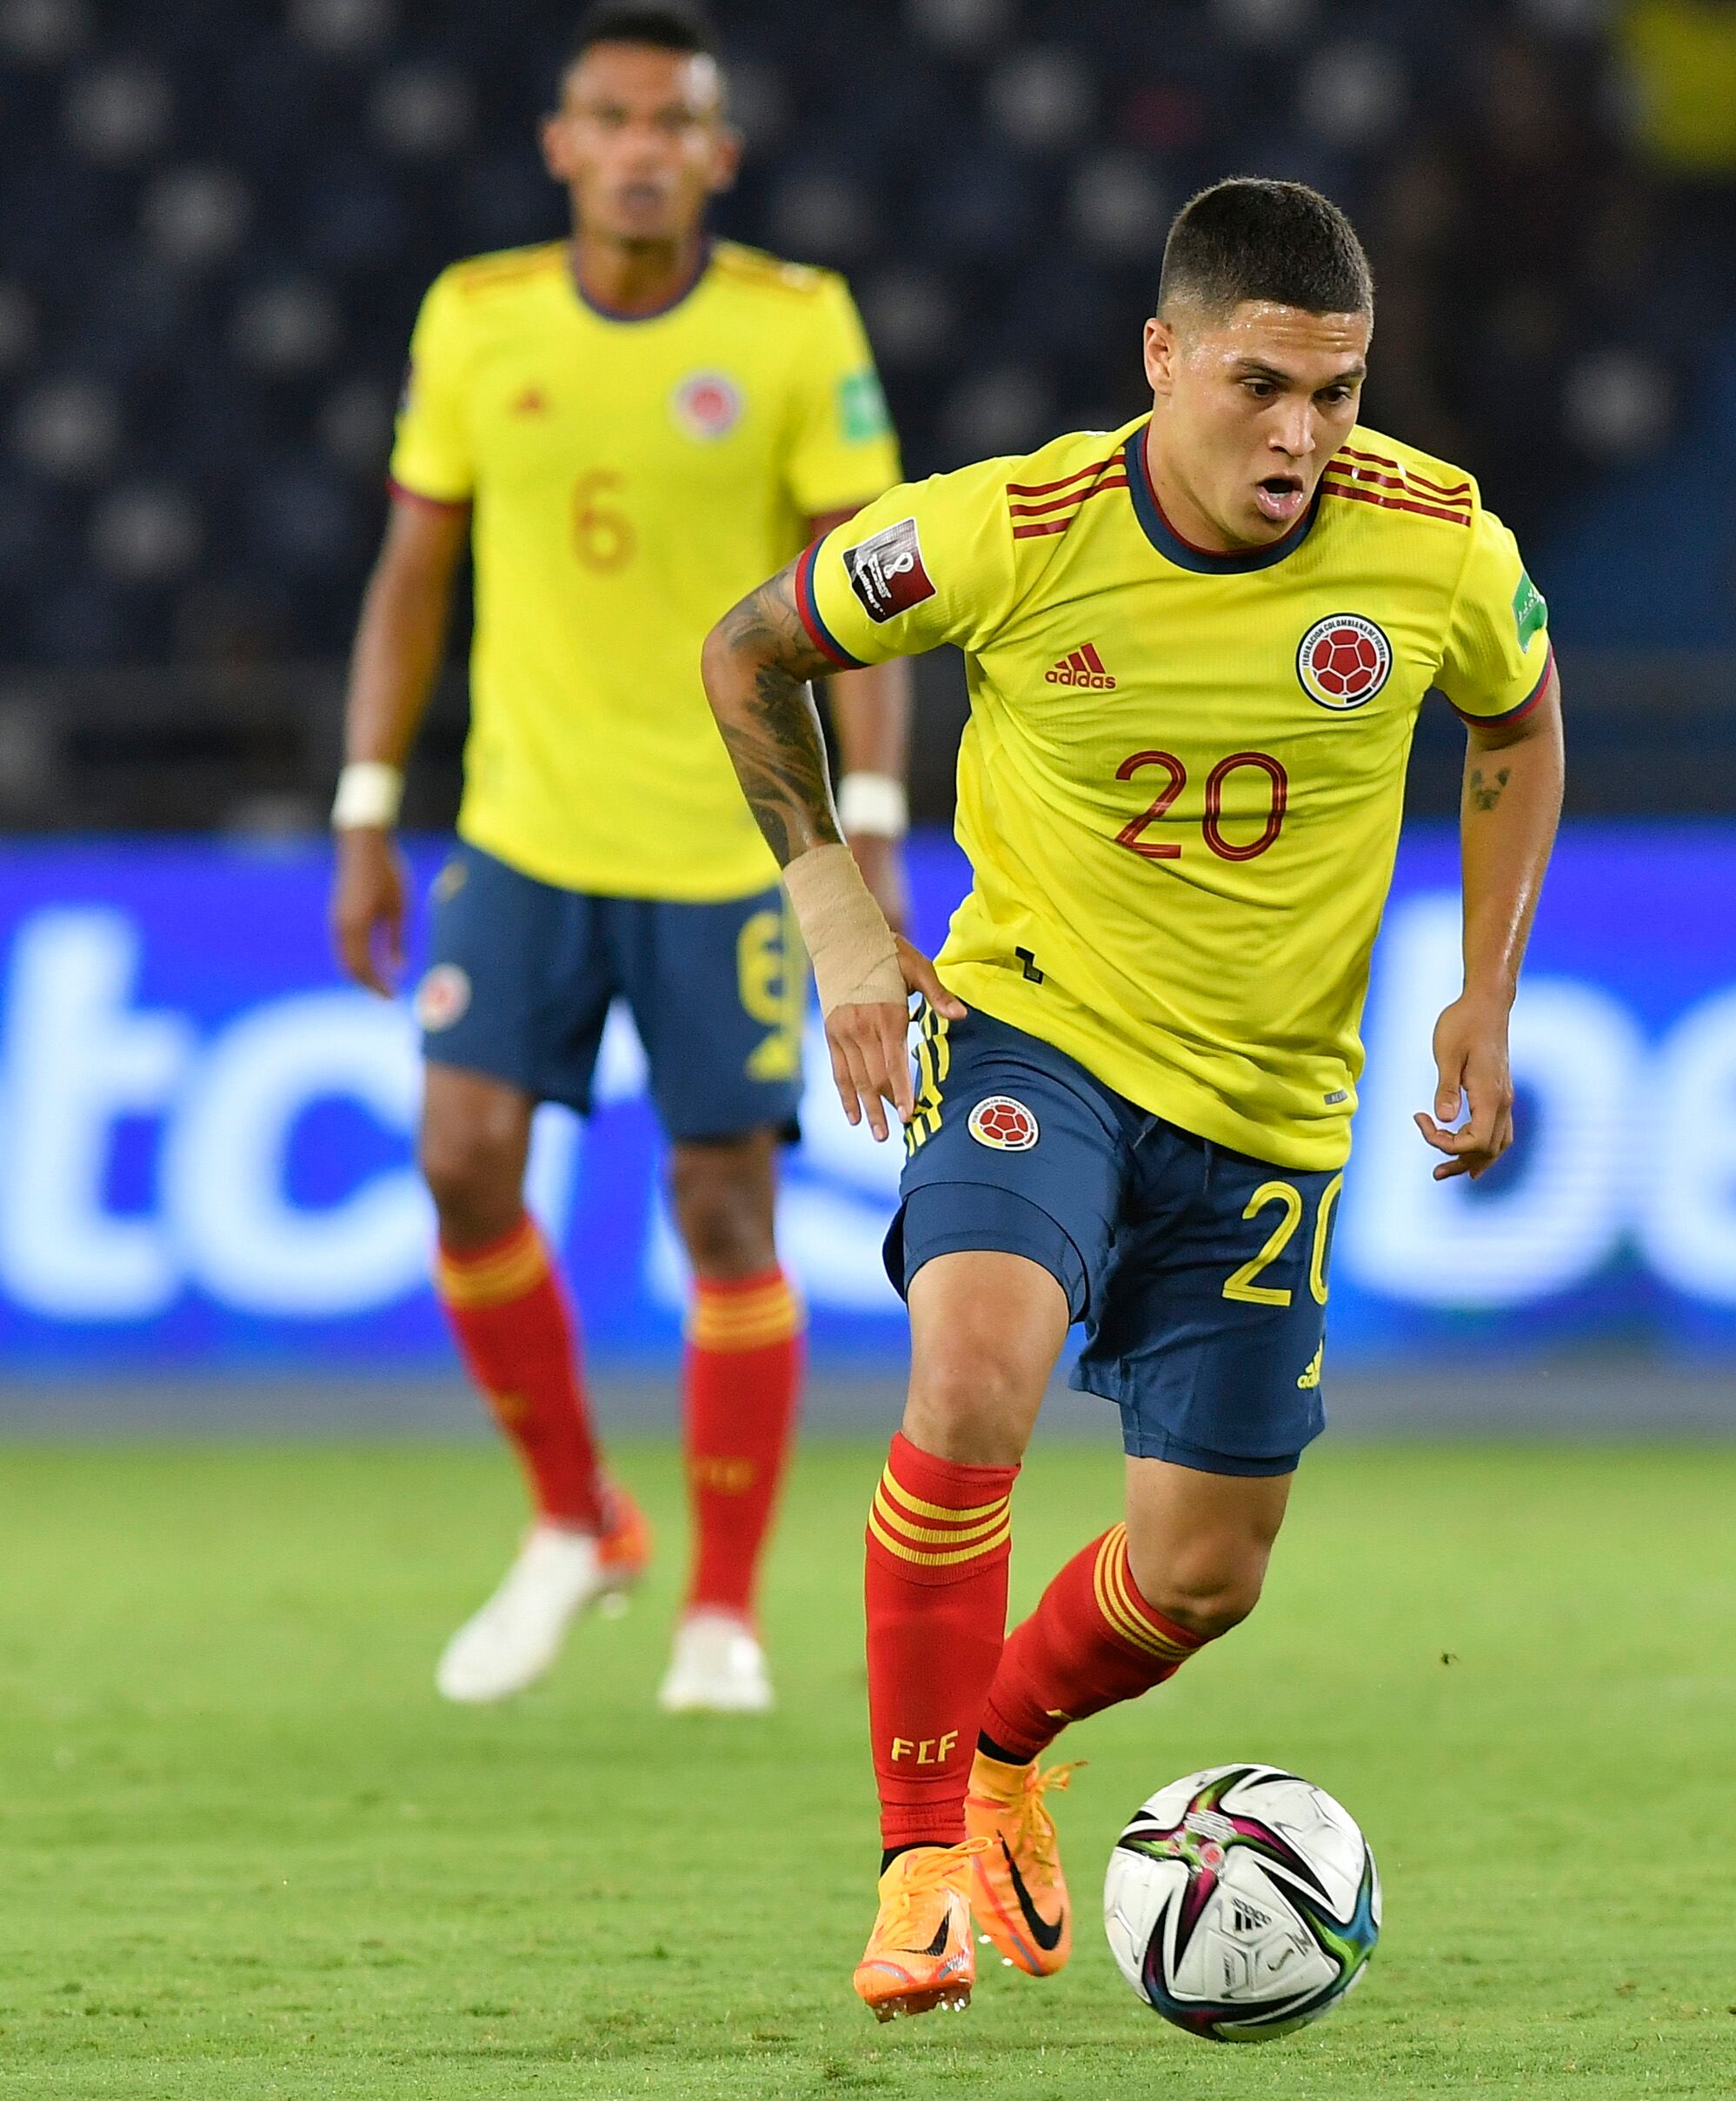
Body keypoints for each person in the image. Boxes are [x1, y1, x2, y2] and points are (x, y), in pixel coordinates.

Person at [697, 177, 1564, 2020]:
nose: (1304, 435)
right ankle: (917, 1857)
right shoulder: (1008, 532)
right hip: (1040, 1040)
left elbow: (1518, 718)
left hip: (1270, 1109)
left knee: (1203, 1572)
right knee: (973, 1369)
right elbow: (745, 653)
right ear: (1160, 359)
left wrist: (1482, 995)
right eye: (1261, 385)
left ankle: (1003, 1752)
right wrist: (845, 926)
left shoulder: (1437, 546)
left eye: (1336, 391)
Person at [327, 0, 911, 1713]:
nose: (643, 146)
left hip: (731, 842)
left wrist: (863, 840)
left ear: (717, 154)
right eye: (612, 117)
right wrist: (367, 802)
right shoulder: (477, 318)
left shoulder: (797, 332)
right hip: (523, 831)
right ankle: (578, 1516)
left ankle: (719, 1613)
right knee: (458, 1159)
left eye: (676, 121)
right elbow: (411, 578)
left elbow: (868, 600)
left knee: (724, 1206)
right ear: (561, 146)